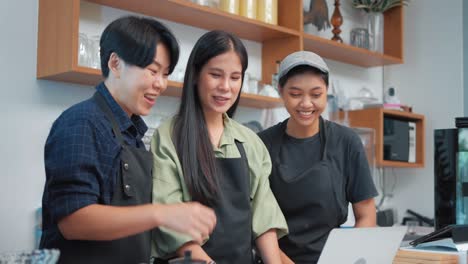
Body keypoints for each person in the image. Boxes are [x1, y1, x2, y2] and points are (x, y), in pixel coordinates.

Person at [39, 16, 216, 264]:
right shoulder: (81, 123)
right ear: (115, 63)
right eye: (153, 71)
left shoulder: (131, 134)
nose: (161, 84)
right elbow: (73, 220)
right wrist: (161, 214)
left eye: (165, 74)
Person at [151, 30, 288, 264]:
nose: (226, 87)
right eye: (216, 75)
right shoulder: (168, 136)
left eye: (235, 78)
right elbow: (171, 223)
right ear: (195, 74)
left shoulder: (250, 141)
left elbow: (264, 221)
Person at [258, 51, 378, 264]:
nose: (306, 104)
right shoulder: (261, 145)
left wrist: (347, 258)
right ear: (281, 91)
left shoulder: (347, 142)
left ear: (326, 92)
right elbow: (258, 224)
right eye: (295, 94)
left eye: (315, 94)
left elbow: (366, 215)